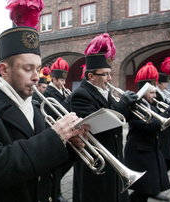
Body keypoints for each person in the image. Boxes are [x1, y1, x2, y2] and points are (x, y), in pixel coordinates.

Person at [0, 3, 90, 199]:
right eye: (28, 69)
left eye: (37, 68)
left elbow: (44, 168)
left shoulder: (35, 107)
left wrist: (70, 146)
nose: (36, 76)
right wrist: (54, 138)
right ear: (4, 70)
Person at [69, 33, 138, 202]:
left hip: (113, 156)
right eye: (105, 74)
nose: (110, 78)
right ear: (91, 76)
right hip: (96, 160)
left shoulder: (105, 92)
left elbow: (120, 118)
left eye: (110, 73)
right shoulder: (81, 94)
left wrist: (131, 105)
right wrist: (123, 104)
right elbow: (100, 125)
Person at [125, 62, 170, 202]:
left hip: (150, 150)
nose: (154, 95)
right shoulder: (136, 105)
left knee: (147, 189)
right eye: (151, 92)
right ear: (143, 91)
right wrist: (167, 115)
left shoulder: (151, 104)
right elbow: (149, 126)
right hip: (139, 152)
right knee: (143, 189)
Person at [151, 57, 170, 201]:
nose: (167, 85)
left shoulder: (163, 94)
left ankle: (153, 185)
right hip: (161, 131)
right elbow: (159, 111)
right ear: (159, 83)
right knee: (164, 161)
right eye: (165, 82)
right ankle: (152, 187)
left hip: (169, 130)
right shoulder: (155, 94)